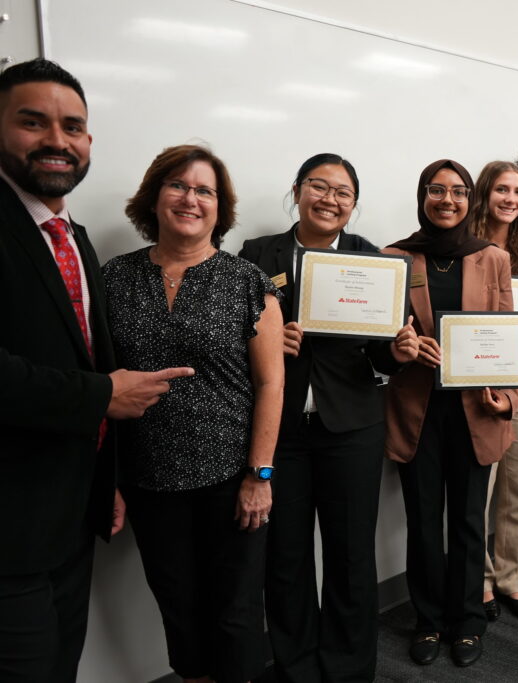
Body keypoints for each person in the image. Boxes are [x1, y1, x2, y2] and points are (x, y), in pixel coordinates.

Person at [0, 58, 192, 682]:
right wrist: (101, 396)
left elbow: (79, 350)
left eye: (73, 126)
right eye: (33, 122)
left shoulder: (73, 235)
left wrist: (102, 478)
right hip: (9, 526)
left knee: (59, 666)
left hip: (69, 513)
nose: (57, 139)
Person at [104, 144, 285, 683]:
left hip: (230, 480)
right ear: (154, 197)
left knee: (235, 615)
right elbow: (101, 387)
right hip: (147, 479)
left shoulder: (246, 282)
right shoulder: (113, 278)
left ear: (218, 207)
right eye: (178, 185)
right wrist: (108, 478)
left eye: (204, 190)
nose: (190, 198)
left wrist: (260, 474)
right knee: (179, 610)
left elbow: (271, 381)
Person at [239, 153, 418, 682]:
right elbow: (233, 336)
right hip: (283, 429)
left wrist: (400, 352)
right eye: (319, 186)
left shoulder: (375, 261)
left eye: (342, 193)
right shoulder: (256, 255)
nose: (329, 200)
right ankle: (296, 664)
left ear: (354, 205)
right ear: (296, 191)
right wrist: (268, 343)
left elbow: (382, 354)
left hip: (353, 426)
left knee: (350, 554)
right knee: (286, 557)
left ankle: (347, 666)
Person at [383, 159, 518, 668]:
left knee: (466, 521)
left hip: (475, 409)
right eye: (436, 191)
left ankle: (467, 620)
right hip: (417, 408)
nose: (448, 200)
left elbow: (511, 336)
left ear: (470, 199)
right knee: (422, 520)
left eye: (458, 192)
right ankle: (428, 618)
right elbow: (378, 336)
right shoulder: (394, 257)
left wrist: (506, 398)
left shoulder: (493, 257)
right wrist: (401, 345)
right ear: (422, 196)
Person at [468, 160, 518, 622]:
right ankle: (478, 582)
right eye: (502, 190)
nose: (511, 199)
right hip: (482, 377)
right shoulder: (463, 246)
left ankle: (512, 580)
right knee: (481, 490)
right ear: (486, 193)